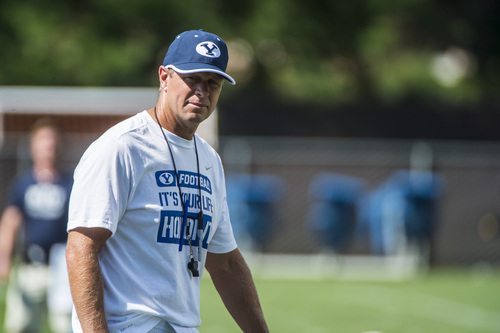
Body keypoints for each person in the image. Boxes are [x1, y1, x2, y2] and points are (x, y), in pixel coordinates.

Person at [65, 29, 269, 333]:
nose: (202, 91)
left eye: (212, 82)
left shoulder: (209, 160)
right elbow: (81, 247)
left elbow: (225, 262)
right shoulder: (123, 147)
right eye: (192, 79)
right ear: (164, 77)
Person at [0, 118, 73, 333]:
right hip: (31, 266)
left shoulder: (70, 183)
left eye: (53, 143)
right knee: (21, 324)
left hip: (62, 268)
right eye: (44, 143)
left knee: (64, 325)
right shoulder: (23, 183)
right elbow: (11, 220)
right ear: (33, 147)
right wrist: (4, 257)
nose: (49, 149)